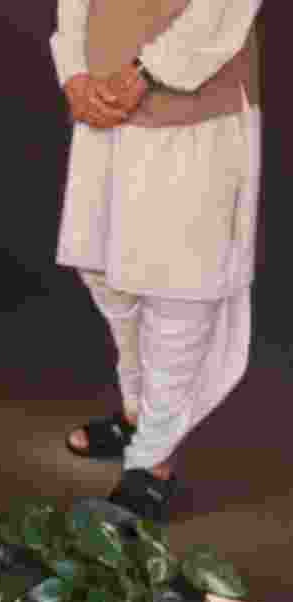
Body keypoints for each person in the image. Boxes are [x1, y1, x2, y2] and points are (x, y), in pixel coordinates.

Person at [53, 0, 263, 522]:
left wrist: (147, 71)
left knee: (177, 285)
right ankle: (138, 416)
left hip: (196, 107)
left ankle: (153, 461)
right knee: (107, 272)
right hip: (106, 101)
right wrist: (75, 73)